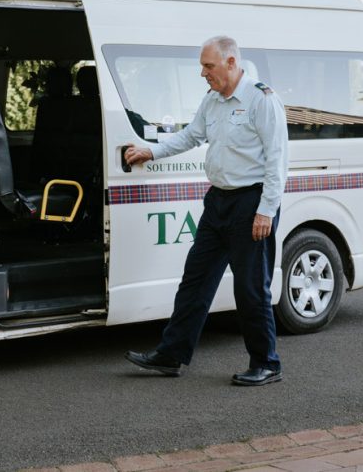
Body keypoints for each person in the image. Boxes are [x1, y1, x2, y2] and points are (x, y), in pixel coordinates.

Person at [123, 35, 288, 386]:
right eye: (202, 66)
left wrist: (266, 211)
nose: (203, 73)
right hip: (218, 202)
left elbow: (277, 161)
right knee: (195, 280)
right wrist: (151, 151)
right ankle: (171, 355)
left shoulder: (262, 100)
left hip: (251, 203)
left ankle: (266, 363)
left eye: (208, 66)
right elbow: (191, 136)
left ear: (231, 63)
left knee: (251, 288)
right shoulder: (212, 101)